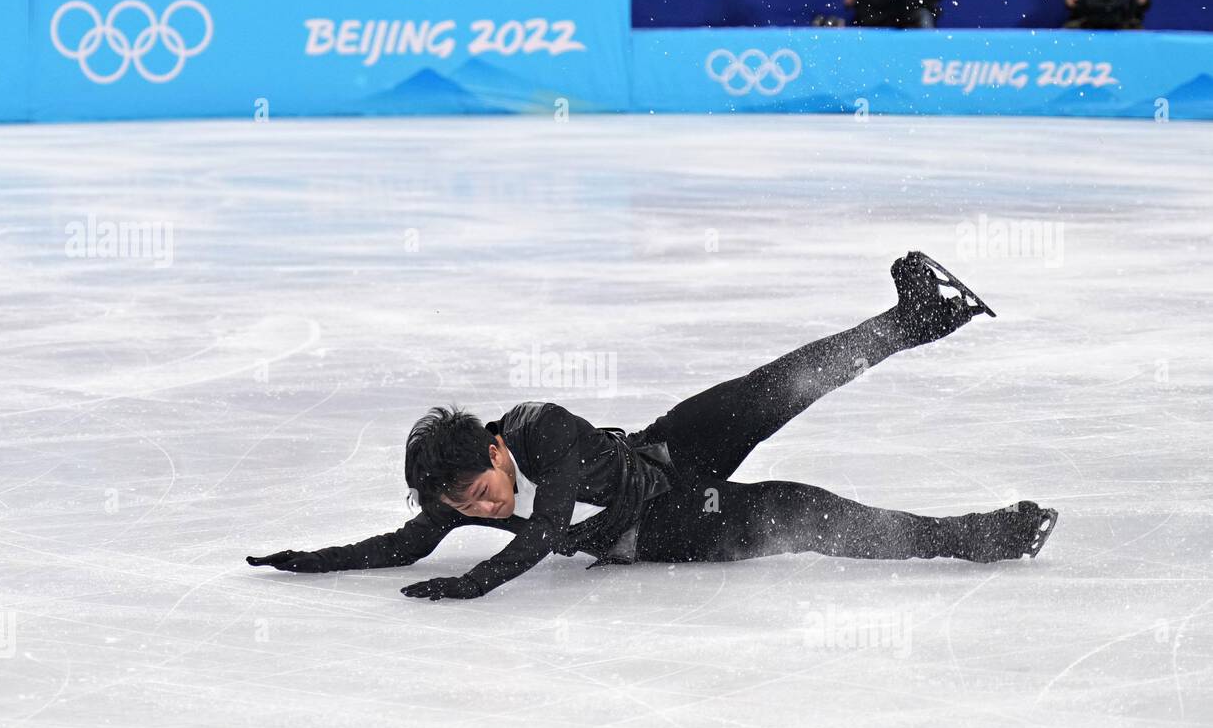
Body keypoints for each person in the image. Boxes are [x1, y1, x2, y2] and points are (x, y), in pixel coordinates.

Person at [248, 253, 1059, 601]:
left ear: (498, 448)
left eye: (483, 492)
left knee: (775, 386)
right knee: (811, 512)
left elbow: (545, 530)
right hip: (666, 528)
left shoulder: (543, 430)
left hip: (666, 451)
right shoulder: (455, 493)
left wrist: (474, 582)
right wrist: (307, 562)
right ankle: (982, 536)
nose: (482, 510)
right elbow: (401, 545)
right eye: (465, 507)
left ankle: (913, 317)